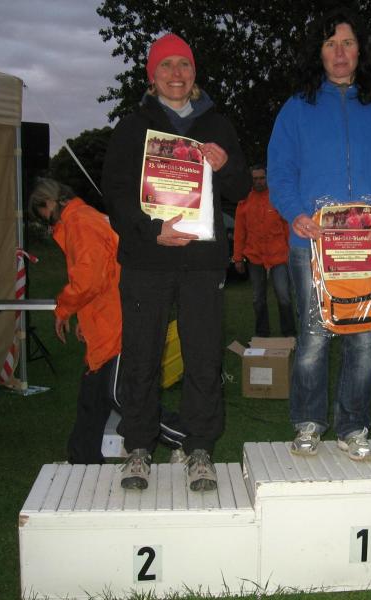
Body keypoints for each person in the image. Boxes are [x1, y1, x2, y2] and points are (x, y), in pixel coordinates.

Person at [101, 33, 251, 491]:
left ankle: (199, 449)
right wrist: (152, 229)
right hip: (147, 259)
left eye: (183, 65)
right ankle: (138, 448)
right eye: (165, 65)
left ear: (194, 73)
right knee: (142, 355)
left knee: (203, 358)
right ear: (152, 75)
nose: (176, 74)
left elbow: (241, 189)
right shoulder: (132, 127)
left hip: (202, 263)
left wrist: (225, 166)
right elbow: (116, 194)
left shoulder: (218, 125)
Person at [267, 8, 371, 461]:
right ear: (319, 52)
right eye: (330, 44)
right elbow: (280, 172)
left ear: (360, 50)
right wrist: (295, 214)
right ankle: (308, 422)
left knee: (362, 338)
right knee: (313, 336)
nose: (339, 52)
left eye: (347, 43)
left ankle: (354, 426)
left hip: (367, 244)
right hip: (311, 243)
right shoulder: (297, 108)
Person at [28, 178, 121, 465]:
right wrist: (85, 317)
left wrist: (64, 309)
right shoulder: (84, 217)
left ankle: (185, 436)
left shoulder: (79, 222)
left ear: (48, 203)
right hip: (108, 316)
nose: (47, 222)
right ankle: (83, 457)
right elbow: (101, 274)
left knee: (118, 398)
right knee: (96, 396)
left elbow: (88, 279)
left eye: (43, 215)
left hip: (113, 320)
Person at [232, 165, 296, 338]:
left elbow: (287, 227)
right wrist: (237, 258)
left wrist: (291, 251)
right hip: (254, 257)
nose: (259, 182)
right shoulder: (244, 201)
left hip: (278, 255)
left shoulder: (277, 199)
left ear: (267, 178)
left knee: (284, 296)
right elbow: (239, 232)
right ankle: (262, 334)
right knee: (257, 298)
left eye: (262, 178)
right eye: (255, 179)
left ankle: (290, 334)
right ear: (250, 180)